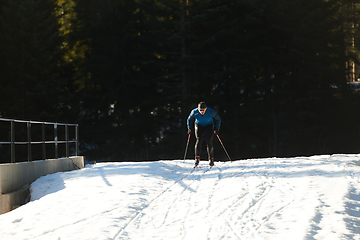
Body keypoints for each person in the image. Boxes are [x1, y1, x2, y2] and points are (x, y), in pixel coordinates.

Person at [187, 102, 221, 167]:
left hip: (209, 125)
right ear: (198, 109)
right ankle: (197, 158)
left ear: (206, 109)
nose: (202, 112)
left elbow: (218, 119)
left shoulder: (211, 111)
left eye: (203, 110)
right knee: (199, 140)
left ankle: (211, 159)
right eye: (200, 110)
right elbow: (189, 119)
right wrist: (189, 128)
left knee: (209, 141)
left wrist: (217, 128)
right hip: (199, 125)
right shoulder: (194, 111)